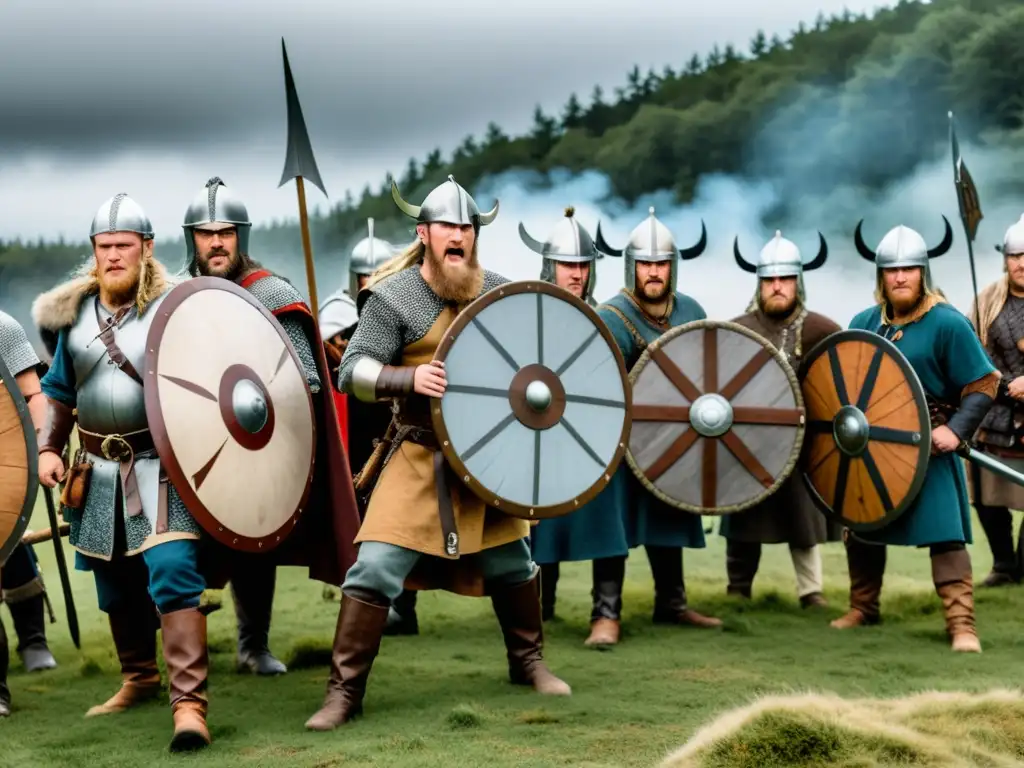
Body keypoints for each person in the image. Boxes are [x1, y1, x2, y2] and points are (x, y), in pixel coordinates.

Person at [305, 174, 570, 732]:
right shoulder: (393, 295)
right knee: (374, 567)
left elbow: (537, 365)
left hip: (488, 455)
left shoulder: (499, 291)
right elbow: (351, 372)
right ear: (424, 233)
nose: (460, 235)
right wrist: (408, 378)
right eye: (448, 226)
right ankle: (343, 693)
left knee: (512, 562)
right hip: (418, 451)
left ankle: (528, 663)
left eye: (468, 228)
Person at [31, 194, 212, 749]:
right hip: (97, 468)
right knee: (114, 582)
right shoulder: (75, 315)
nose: (112, 257)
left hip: (160, 466)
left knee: (174, 567)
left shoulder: (175, 306)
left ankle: (190, 706)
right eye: (104, 248)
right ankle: (139, 677)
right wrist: (48, 447)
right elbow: (59, 389)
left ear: (147, 249)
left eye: (123, 247)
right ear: (93, 251)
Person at [181, 176, 361, 672]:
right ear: (191, 238)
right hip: (188, 442)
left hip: (254, 442)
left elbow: (306, 381)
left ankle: (252, 645)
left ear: (242, 236)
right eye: (205, 232)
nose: (216, 242)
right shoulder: (176, 299)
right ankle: (174, 658)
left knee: (252, 541)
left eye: (226, 232)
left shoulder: (272, 294)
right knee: (174, 547)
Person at [551, 208, 720, 649]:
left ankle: (672, 603)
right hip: (621, 445)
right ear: (632, 267)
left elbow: (709, 373)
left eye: (661, 264)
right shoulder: (613, 316)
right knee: (615, 523)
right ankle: (605, 614)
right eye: (645, 264)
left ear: (672, 267)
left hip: (673, 442)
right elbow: (597, 384)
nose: (653, 272)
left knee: (669, 512)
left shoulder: (692, 311)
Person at [834, 218, 998, 653]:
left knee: (945, 536)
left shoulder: (947, 323)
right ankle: (863, 607)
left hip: (929, 448)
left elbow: (983, 383)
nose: (901, 277)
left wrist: (955, 430)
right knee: (863, 525)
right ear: (881, 276)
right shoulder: (864, 321)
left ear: (923, 272)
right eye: (892, 270)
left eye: (909, 269)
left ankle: (961, 624)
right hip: (873, 451)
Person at [723, 231, 842, 606]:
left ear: (797, 282)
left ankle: (811, 592)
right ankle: (738, 589)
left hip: (802, 447)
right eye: (769, 280)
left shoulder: (823, 329)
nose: (777, 287)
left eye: (784, 279)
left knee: (802, 522)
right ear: (759, 284)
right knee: (743, 521)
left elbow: (838, 388)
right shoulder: (737, 328)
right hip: (748, 445)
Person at [319, 219, 416, 635]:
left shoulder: (407, 310)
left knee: (403, 525)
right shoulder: (339, 315)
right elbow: (329, 363)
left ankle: (403, 608)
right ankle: (366, 606)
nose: (373, 282)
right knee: (359, 523)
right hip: (355, 434)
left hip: (399, 431)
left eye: (382, 274)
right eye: (366, 276)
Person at [518, 206, 609, 623]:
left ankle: (606, 613)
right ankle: (540, 607)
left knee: (607, 519)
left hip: (589, 439)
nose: (576, 274)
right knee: (540, 528)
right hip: (537, 434)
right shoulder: (529, 312)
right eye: (567, 265)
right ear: (548, 266)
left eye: (582, 266)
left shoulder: (605, 319)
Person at [966, 213, 1024, 587]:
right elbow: (971, 354)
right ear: (1005, 258)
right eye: (1015, 256)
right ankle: (1004, 565)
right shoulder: (987, 300)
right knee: (987, 497)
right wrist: (1006, 386)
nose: (1022, 263)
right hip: (995, 413)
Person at [0, 309, 53, 715]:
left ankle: (33, 638)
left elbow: (30, 394)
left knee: (10, 542)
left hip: (2, 460)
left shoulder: (1, 326)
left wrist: (40, 449)